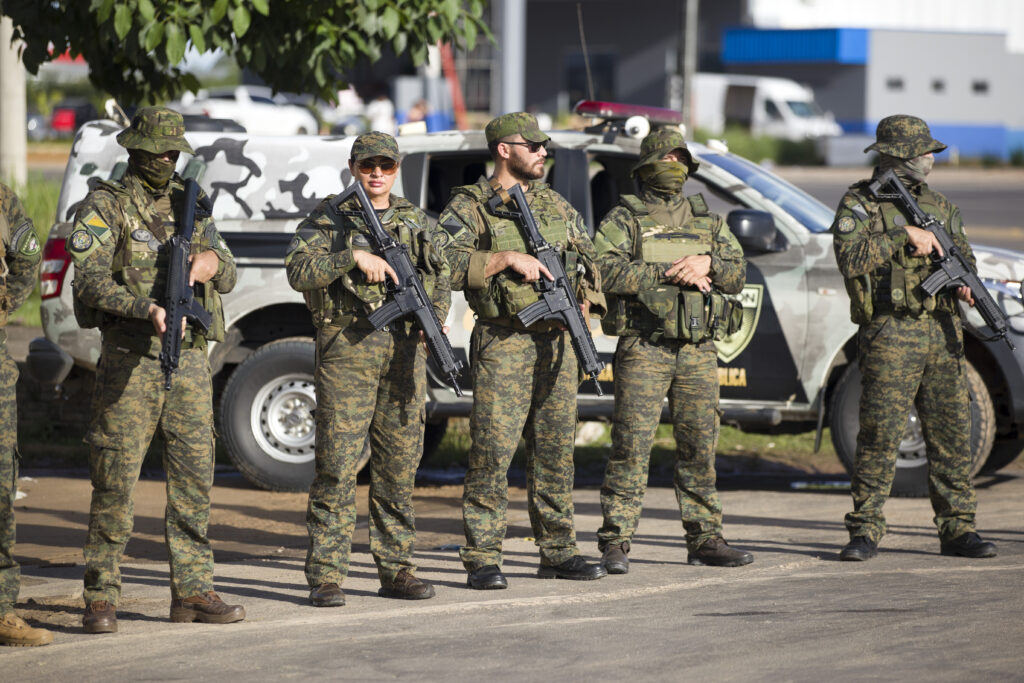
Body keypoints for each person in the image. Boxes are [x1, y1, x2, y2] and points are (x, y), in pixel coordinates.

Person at [68, 107, 245, 633]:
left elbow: (229, 270)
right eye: (158, 151)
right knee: (115, 479)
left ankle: (191, 590)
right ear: (135, 149)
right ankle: (101, 595)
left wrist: (211, 262)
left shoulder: (192, 204)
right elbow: (89, 281)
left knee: (194, 479)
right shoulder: (106, 205)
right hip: (131, 360)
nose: (167, 159)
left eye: (173, 152)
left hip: (189, 360)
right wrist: (144, 308)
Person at [438, 112, 607, 589]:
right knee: (492, 453)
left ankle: (557, 551)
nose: (542, 152)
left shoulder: (556, 205)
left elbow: (591, 259)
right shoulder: (470, 206)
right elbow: (443, 263)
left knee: (555, 453)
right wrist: (504, 259)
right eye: (531, 145)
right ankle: (482, 557)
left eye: (544, 145)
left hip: (558, 343)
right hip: (504, 341)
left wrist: (586, 300)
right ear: (503, 150)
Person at [285, 132, 451, 606]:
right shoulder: (328, 218)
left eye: (386, 165)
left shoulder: (416, 220)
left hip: (403, 354)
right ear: (353, 167)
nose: (377, 173)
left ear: (396, 168)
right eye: (367, 165)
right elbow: (297, 271)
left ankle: (397, 569)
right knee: (337, 468)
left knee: (399, 467)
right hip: (348, 351)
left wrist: (433, 317)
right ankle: (326, 576)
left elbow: (440, 277)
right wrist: (351, 257)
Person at [831, 114, 997, 561]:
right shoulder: (859, 204)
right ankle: (865, 531)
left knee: (951, 434)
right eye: (924, 152)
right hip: (891, 331)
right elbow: (850, 259)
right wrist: (902, 235)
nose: (930, 159)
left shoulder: (941, 207)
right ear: (899, 155)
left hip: (942, 332)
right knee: (880, 434)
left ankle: (958, 529)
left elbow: (966, 260)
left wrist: (965, 283)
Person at [593, 128, 753, 574]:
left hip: (698, 351)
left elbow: (737, 274)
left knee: (700, 446)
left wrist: (709, 264)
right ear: (647, 164)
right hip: (645, 346)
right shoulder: (624, 219)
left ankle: (705, 537)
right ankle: (616, 541)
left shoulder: (708, 221)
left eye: (681, 156)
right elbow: (602, 270)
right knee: (631, 445)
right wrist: (666, 271)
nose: (675, 163)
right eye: (667, 155)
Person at [0, 183, 51, 647]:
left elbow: (27, 258)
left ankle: (0, 610)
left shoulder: (2, 199)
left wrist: (1, 309)